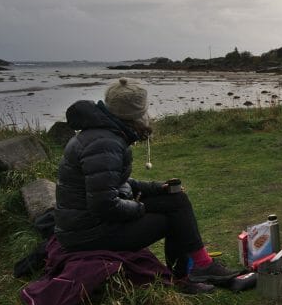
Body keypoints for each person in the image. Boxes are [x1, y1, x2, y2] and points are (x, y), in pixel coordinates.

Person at [54, 77, 238, 293]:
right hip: (88, 235)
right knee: (170, 219)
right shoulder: (105, 142)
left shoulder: (103, 133)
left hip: (85, 226)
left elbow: (114, 184)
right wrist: (141, 208)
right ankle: (188, 276)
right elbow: (104, 204)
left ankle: (201, 265)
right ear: (134, 112)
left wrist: (155, 188)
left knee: (175, 198)